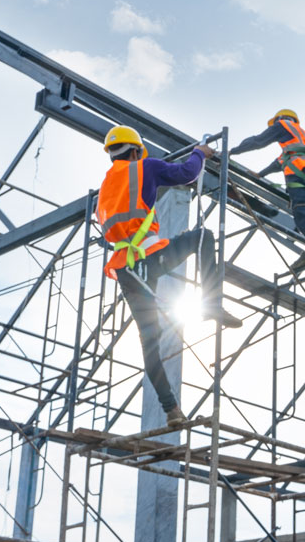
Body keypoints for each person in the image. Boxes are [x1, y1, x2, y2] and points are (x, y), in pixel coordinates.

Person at [96, 125, 243, 427]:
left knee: (149, 341)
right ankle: (211, 303)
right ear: (136, 150)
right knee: (203, 237)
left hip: (126, 267)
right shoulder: (145, 167)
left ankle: (172, 411)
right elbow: (186, 175)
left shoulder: (107, 185)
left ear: (111, 154)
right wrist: (199, 154)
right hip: (149, 254)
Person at [231, 109, 305, 270]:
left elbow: (258, 141)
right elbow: (280, 162)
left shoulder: (282, 125)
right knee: (301, 204)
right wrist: (260, 174)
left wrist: (232, 151)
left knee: (300, 206)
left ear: (281, 119)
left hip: (298, 170)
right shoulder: (301, 138)